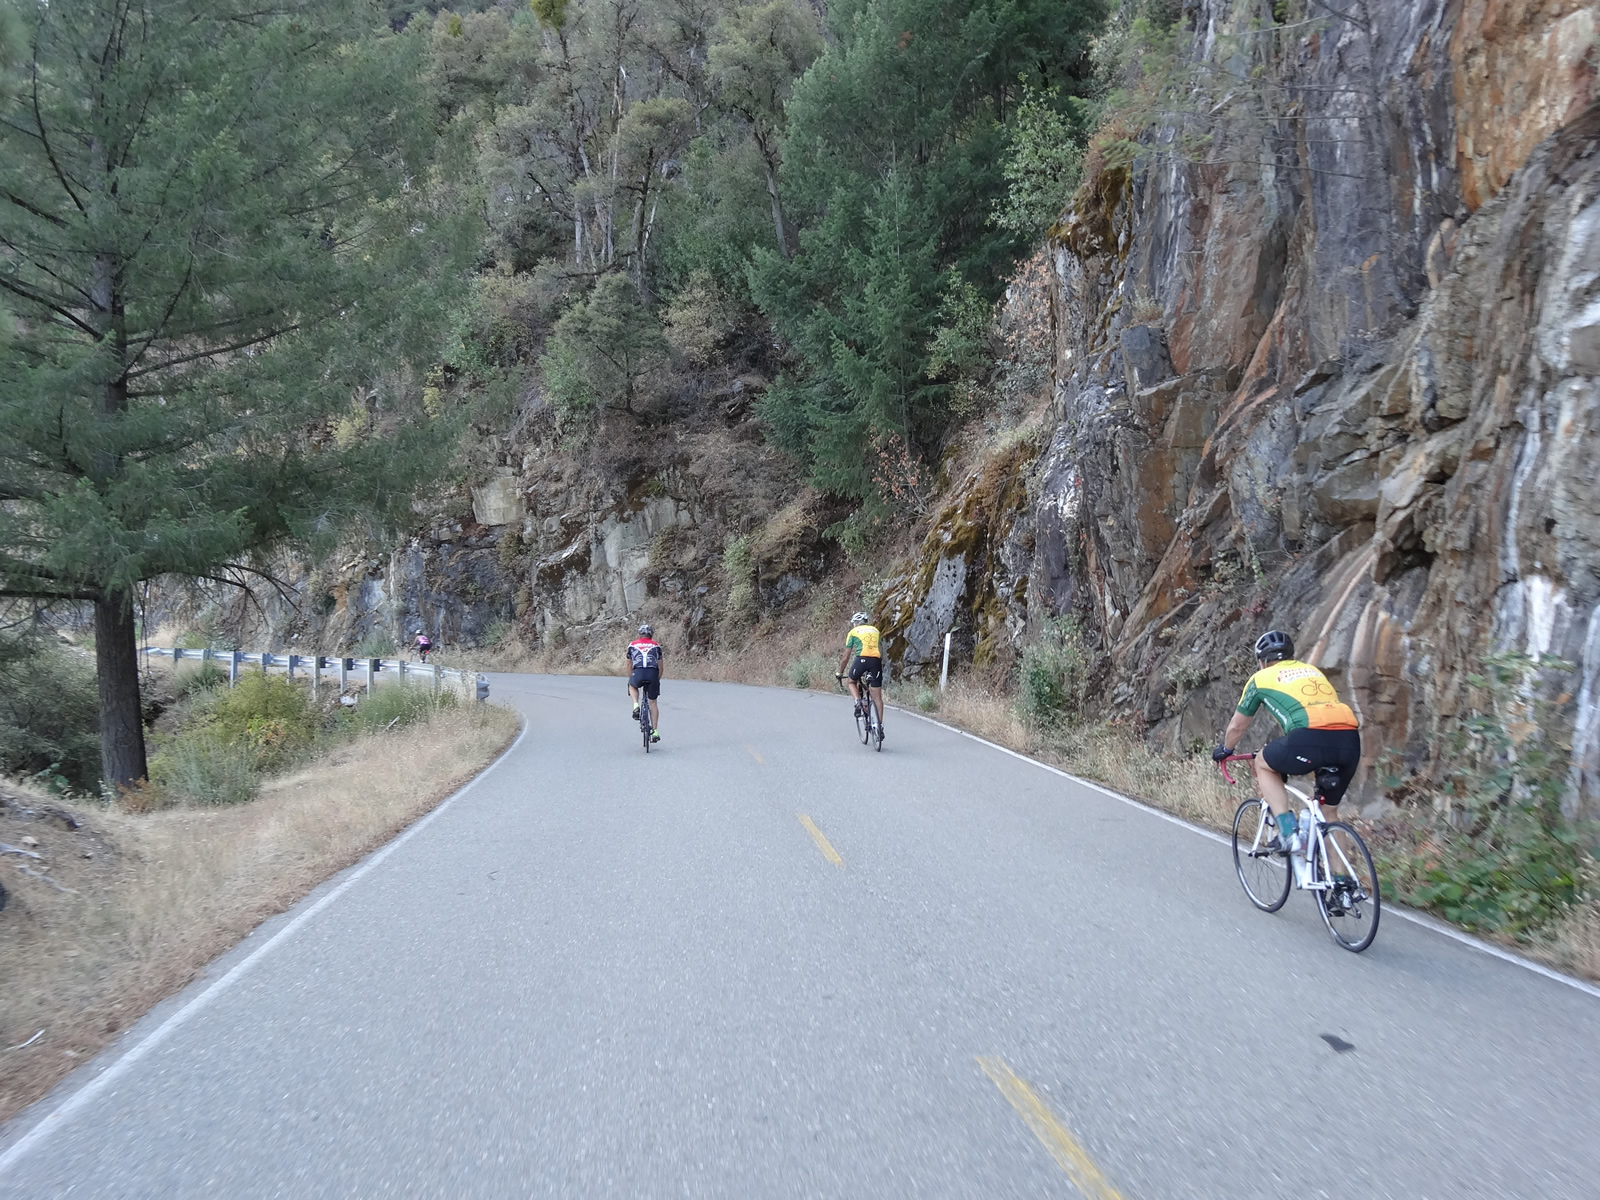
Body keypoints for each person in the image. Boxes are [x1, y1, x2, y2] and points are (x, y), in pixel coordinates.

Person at [1213, 630, 1361, 856]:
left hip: (1309, 736)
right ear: (1291, 656)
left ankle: (1288, 833)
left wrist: (1226, 749)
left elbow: (1237, 727)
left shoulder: (1260, 678)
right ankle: (1341, 877)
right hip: (1349, 738)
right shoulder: (1312, 671)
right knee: (1329, 813)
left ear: (1262, 662)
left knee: (1263, 762)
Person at [836, 611, 885, 740]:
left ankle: (858, 702)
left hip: (861, 660)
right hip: (875, 662)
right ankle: (879, 727)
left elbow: (846, 656)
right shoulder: (875, 630)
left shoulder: (853, 632)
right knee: (877, 697)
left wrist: (840, 672)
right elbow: (880, 650)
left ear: (856, 623)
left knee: (851, 682)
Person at [627, 623, 663, 743]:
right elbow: (661, 667)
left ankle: (636, 705)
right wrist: (657, 679)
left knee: (632, 685)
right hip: (652, 673)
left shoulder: (632, 645)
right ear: (651, 635)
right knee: (653, 702)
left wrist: (630, 678)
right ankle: (655, 731)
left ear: (639, 635)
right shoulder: (656, 645)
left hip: (638, 672)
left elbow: (629, 664)